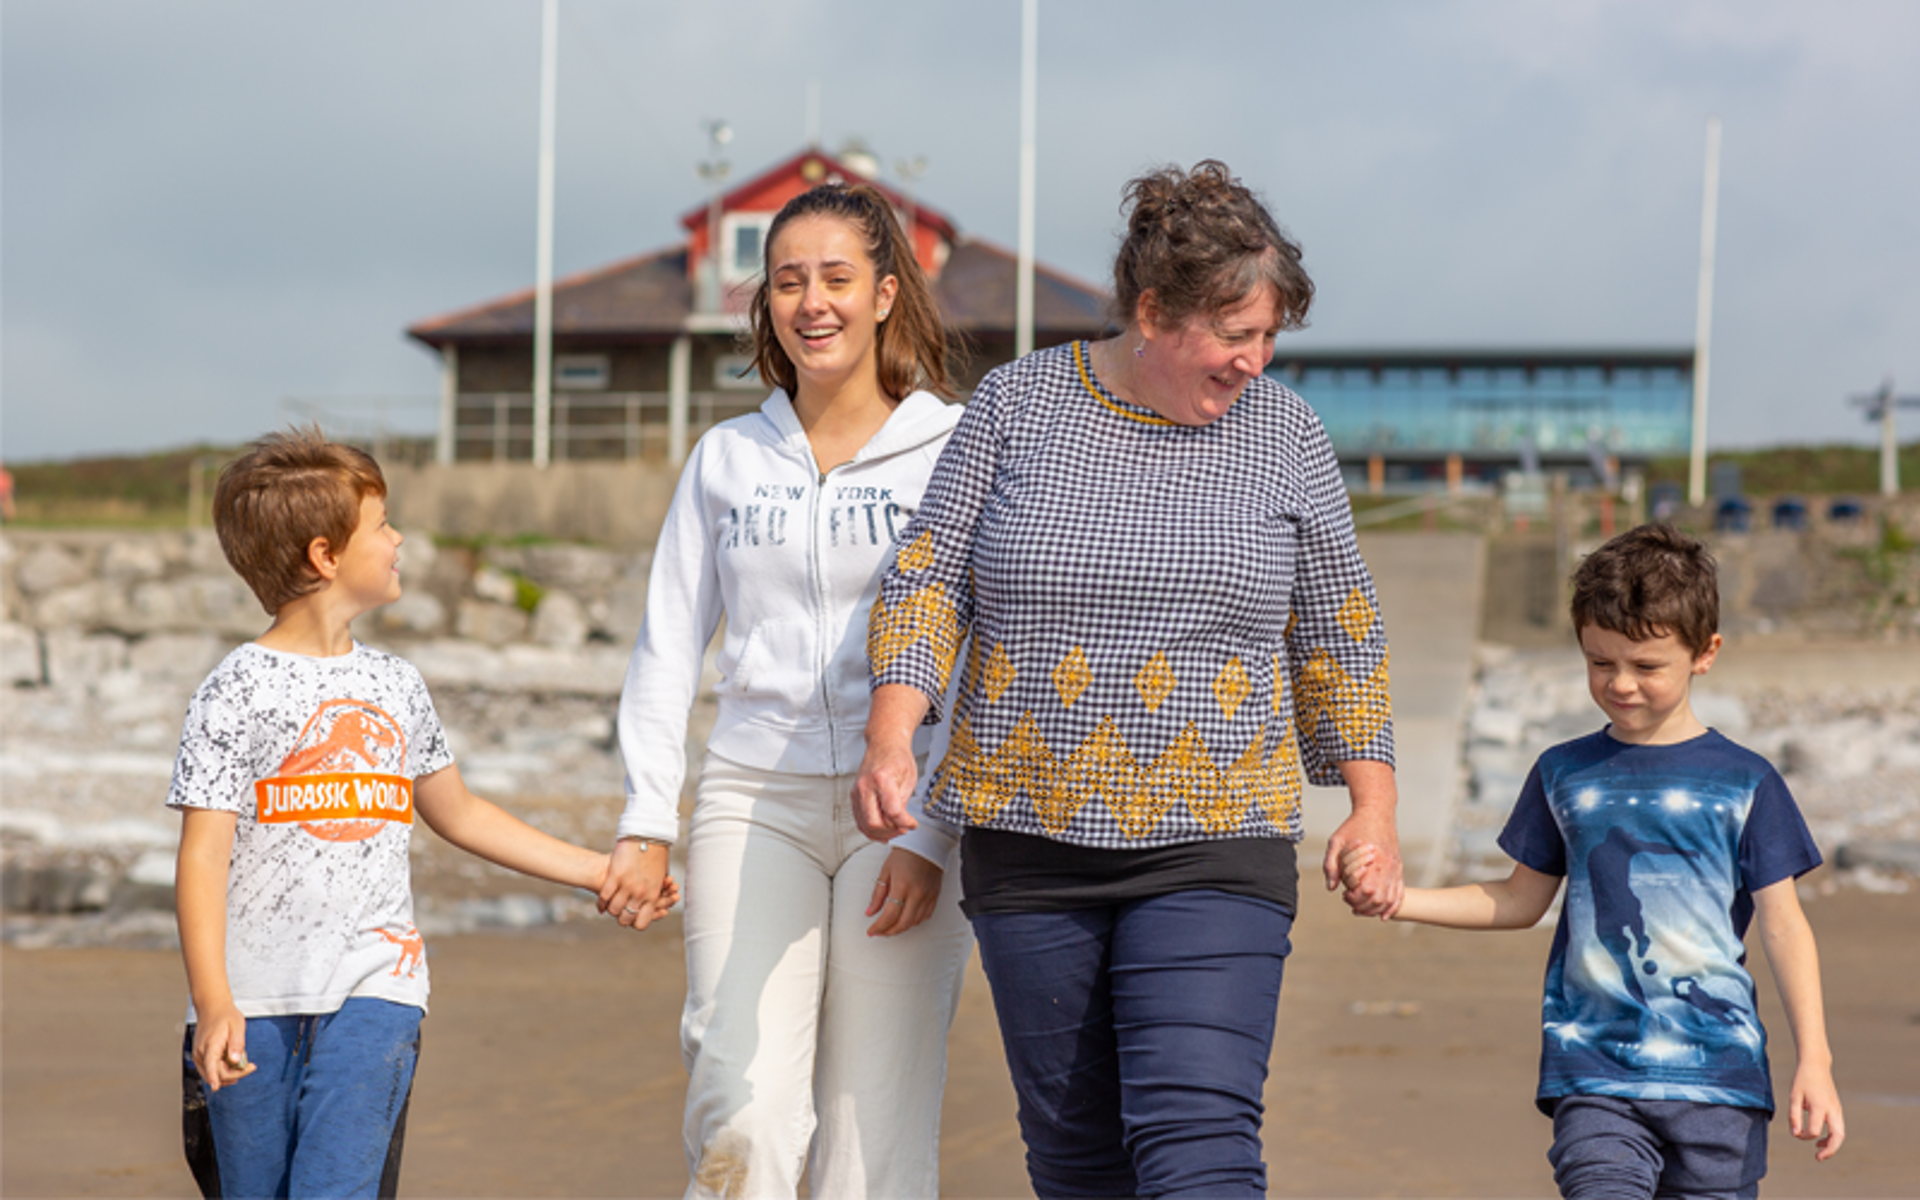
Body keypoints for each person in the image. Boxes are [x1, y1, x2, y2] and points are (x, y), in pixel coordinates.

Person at [855, 160, 1401, 1199]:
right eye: (1234, 334)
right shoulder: (1017, 402)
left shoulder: (1286, 434)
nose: (1254, 361)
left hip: (1218, 838)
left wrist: (1371, 808)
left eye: (1269, 337)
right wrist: (892, 735)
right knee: (1078, 1163)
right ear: (1152, 312)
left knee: (1200, 1145)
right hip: (1028, 841)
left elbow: (1339, 629)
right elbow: (927, 581)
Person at [169, 429, 674, 1199]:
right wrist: (213, 1004)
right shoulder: (235, 688)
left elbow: (460, 813)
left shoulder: (396, 684)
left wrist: (601, 872)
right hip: (251, 1001)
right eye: (381, 525)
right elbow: (203, 855)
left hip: (377, 988)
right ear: (324, 555)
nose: (399, 538)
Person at [600, 181, 976, 1199]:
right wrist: (646, 818)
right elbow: (667, 646)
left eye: (837, 278)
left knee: (873, 1138)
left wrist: (934, 836)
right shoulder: (726, 458)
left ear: (886, 294)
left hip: (904, 816)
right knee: (743, 1107)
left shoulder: (951, 450)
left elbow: (980, 655)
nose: (813, 303)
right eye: (787, 282)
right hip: (753, 800)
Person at [1339, 523, 1845, 1199]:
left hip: (1719, 1079)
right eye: (1600, 663)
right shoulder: (1564, 774)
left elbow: (1783, 926)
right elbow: (1519, 899)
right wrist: (1400, 899)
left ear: (1705, 653)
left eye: (1646, 666)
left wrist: (1815, 1060)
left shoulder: (1746, 782)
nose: (1621, 684)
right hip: (1594, 1072)